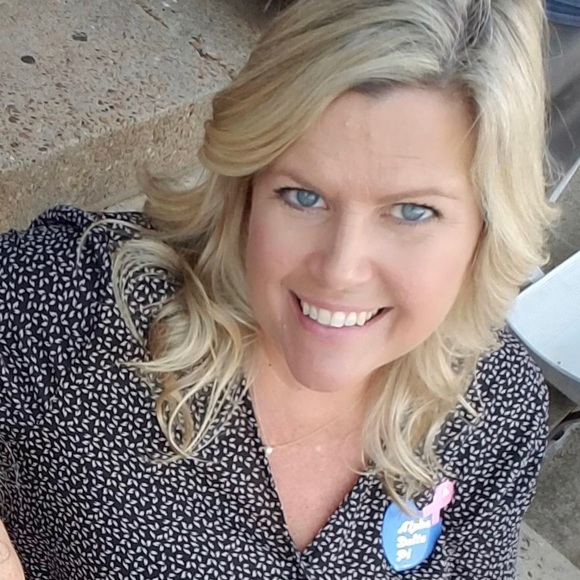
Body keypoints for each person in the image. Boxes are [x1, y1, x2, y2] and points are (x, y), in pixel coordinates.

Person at [0, 0, 558, 578]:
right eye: (303, 196)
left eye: (412, 211)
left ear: (487, 228)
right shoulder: (82, 307)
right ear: (246, 192)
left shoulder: (495, 405)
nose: (341, 269)